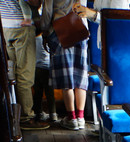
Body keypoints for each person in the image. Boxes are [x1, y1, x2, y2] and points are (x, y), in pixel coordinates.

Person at [0, 0, 50, 129]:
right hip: (21, 26)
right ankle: (26, 117)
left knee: (14, 73)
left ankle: (15, 114)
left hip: (5, 26)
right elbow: (33, 2)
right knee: (25, 74)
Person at [39, 0, 89, 130]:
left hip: (61, 31)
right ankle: (81, 117)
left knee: (67, 76)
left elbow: (47, 12)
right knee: (80, 74)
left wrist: (44, 31)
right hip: (80, 29)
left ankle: (71, 118)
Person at [33, 33, 58, 121]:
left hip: (35, 68)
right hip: (47, 68)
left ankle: (38, 112)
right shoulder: (47, 38)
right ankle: (53, 114)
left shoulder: (33, 38)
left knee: (37, 92)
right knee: (50, 93)